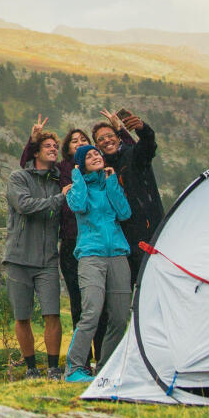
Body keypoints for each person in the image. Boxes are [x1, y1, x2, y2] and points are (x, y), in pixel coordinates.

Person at [63, 143, 131, 382]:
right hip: (91, 255)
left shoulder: (110, 184)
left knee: (121, 316)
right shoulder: (78, 188)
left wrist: (112, 183)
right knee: (91, 311)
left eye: (96, 153)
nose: (95, 156)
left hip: (118, 254)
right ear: (81, 164)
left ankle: (105, 369)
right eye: (88, 156)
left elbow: (124, 213)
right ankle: (74, 369)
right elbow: (78, 206)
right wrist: (77, 176)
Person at [2, 129, 65, 380]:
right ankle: (31, 369)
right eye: (47, 146)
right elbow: (24, 205)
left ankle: (53, 368)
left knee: (52, 313)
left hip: (48, 259)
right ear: (36, 152)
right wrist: (60, 200)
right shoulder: (18, 178)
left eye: (55, 146)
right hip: (18, 258)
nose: (53, 149)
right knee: (22, 315)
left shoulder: (59, 180)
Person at [20, 118, 93, 330]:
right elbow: (28, 165)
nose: (79, 143)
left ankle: (104, 358)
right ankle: (82, 359)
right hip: (72, 241)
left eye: (84, 139)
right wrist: (33, 141)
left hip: (97, 242)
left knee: (100, 302)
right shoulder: (60, 170)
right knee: (78, 301)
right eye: (74, 141)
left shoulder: (100, 167)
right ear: (68, 148)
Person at [92, 107, 165, 284]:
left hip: (150, 233)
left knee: (154, 285)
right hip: (122, 242)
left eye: (110, 136)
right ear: (97, 146)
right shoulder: (100, 171)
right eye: (101, 139)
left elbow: (148, 145)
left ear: (118, 138)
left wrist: (142, 128)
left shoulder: (133, 156)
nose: (106, 140)